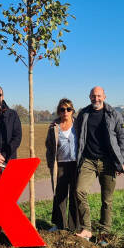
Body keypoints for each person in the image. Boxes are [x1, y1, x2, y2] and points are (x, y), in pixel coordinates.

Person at [74, 86, 124, 242]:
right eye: (93, 96)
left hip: (108, 161)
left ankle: (104, 232)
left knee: (106, 199)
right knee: (79, 190)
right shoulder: (84, 113)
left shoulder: (113, 114)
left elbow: (123, 138)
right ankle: (87, 229)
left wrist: (121, 161)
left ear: (104, 96)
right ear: (89, 97)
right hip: (88, 160)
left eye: (98, 96)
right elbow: (75, 132)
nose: (95, 99)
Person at [45, 98, 79, 232]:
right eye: (62, 109)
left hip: (76, 164)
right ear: (59, 111)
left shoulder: (78, 124)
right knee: (60, 194)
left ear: (72, 111)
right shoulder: (54, 127)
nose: (65, 112)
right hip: (60, 164)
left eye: (68, 109)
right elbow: (48, 146)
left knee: (76, 195)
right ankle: (59, 224)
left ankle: (74, 226)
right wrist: (50, 164)